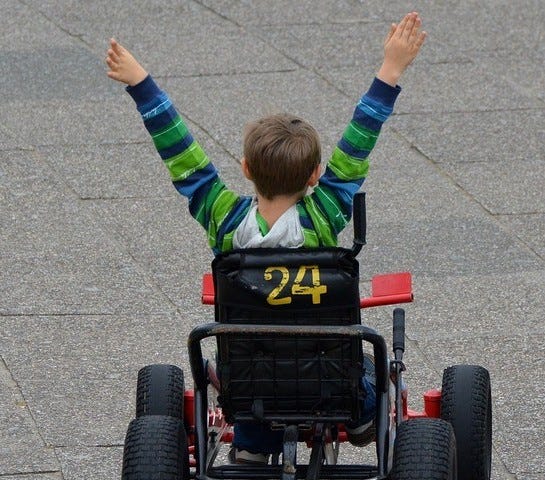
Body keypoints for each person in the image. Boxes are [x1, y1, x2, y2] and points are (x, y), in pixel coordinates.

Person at [106, 11, 426, 463]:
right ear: (316, 175)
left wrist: (141, 83)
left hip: (251, 390)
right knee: (370, 365)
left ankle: (254, 446)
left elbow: (181, 154)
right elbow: (360, 138)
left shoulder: (223, 220)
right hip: (332, 382)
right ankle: (361, 415)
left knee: (247, 359)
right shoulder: (323, 216)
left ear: (246, 170)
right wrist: (390, 69)